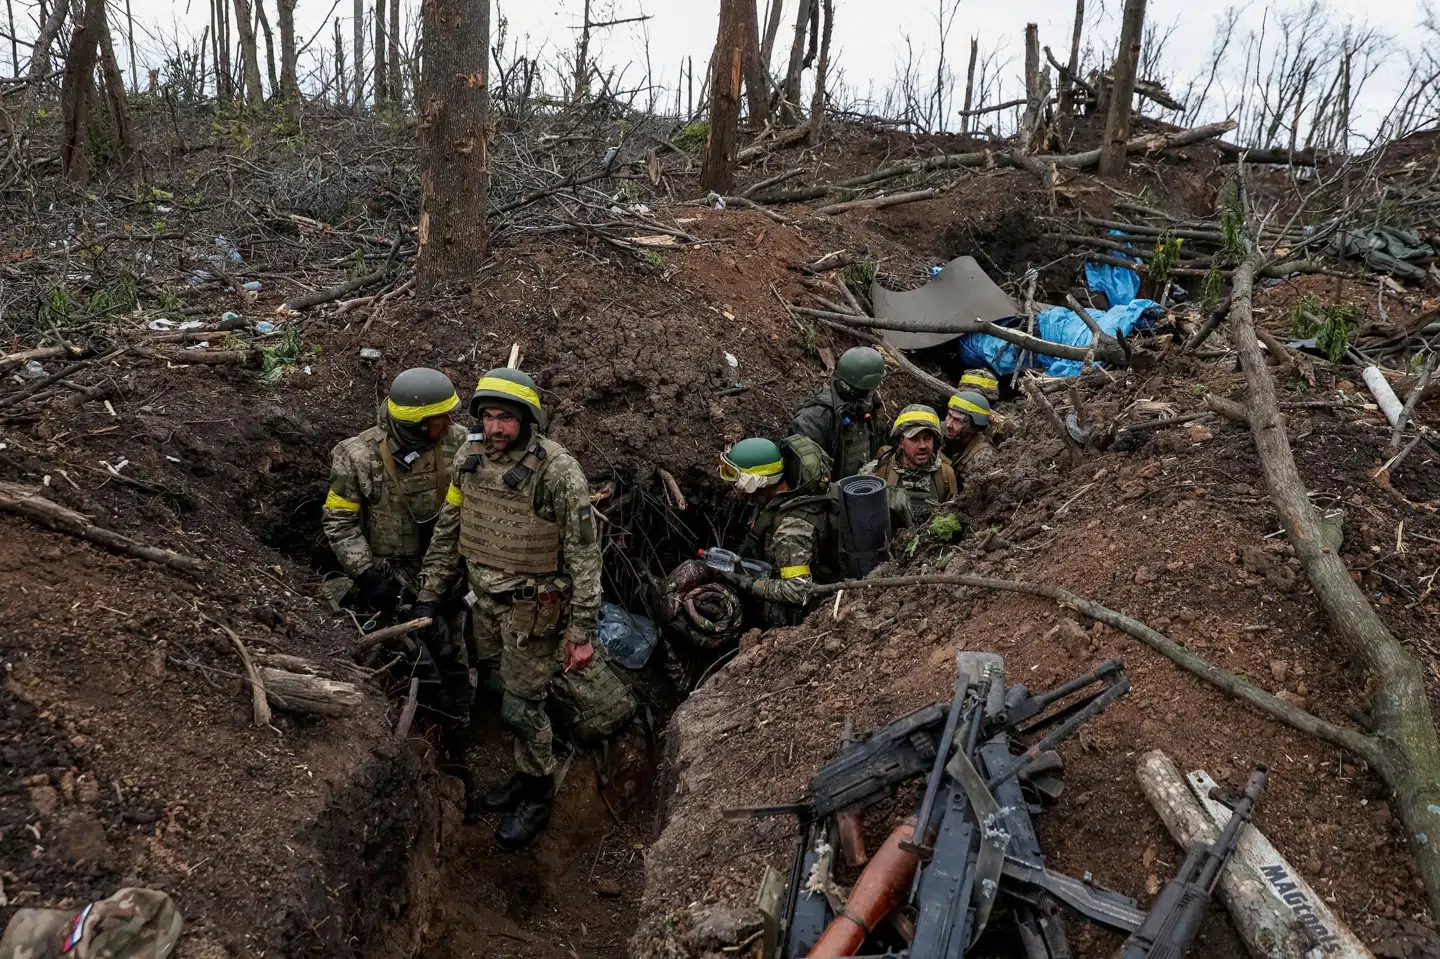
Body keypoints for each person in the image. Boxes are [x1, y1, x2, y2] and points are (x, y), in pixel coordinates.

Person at [417, 367, 635, 848]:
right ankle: (523, 777)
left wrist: (580, 632)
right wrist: (431, 594)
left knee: (521, 707)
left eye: (506, 419)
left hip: (531, 614)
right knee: (499, 691)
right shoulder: (469, 458)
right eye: (489, 417)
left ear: (527, 420)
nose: (495, 428)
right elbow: (450, 528)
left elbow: (584, 555)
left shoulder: (557, 471)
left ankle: (538, 794)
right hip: (483, 607)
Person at [322, 367, 476, 790]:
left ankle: (461, 728)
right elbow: (339, 522)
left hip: (447, 569)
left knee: (453, 651)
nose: (449, 424)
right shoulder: (357, 456)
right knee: (410, 657)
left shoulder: (459, 442)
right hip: (392, 575)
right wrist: (367, 574)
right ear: (413, 421)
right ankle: (421, 733)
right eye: (439, 418)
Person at [715, 435, 840, 626]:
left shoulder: (790, 530)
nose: (738, 491)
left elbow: (798, 590)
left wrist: (748, 582)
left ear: (758, 482)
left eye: (738, 484)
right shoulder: (783, 496)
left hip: (803, 616)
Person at [790, 346, 887, 479]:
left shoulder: (865, 407)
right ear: (866, 386)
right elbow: (807, 481)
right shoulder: (814, 420)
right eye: (876, 384)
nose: (877, 389)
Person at [862, 404, 957, 519]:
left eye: (927, 438)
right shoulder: (879, 472)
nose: (922, 446)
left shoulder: (945, 475)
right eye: (914, 439)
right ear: (901, 441)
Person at [943, 390, 1001, 480]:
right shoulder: (939, 431)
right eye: (949, 415)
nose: (948, 424)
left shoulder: (983, 457)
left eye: (957, 420)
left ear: (974, 426)